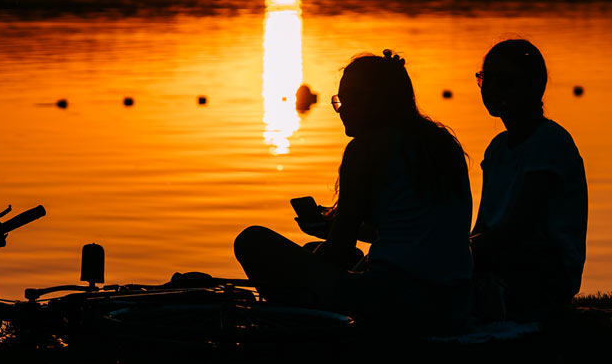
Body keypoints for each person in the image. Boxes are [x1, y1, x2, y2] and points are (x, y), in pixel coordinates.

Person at [234, 50, 473, 335]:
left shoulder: (366, 149)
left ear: (375, 100)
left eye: (348, 99)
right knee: (312, 253)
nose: (342, 109)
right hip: (455, 300)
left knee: (252, 241)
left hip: (397, 301)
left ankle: (295, 330)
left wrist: (303, 272)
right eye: (339, 101)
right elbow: (414, 232)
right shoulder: (441, 143)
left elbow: (340, 249)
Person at [470, 39, 587, 322]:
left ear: (535, 87)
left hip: (544, 270)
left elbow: (519, 227)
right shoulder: (497, 148)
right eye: (486, 78)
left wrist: (460, 252)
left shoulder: (549, 143)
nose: (491, 89)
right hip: (502, 259)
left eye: (505, 81)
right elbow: (484, 224)